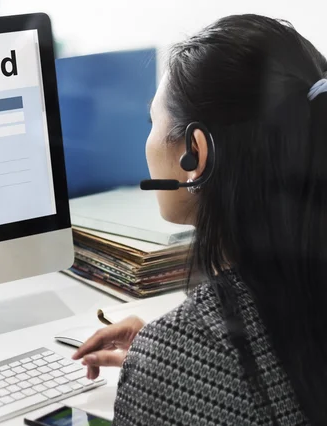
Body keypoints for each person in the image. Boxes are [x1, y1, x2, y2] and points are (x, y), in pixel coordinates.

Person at [73, 14, 327, 426]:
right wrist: (181, 348)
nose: (148, 140)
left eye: (152, 123)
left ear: (195, 153)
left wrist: (174, 358)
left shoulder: (174, 359)